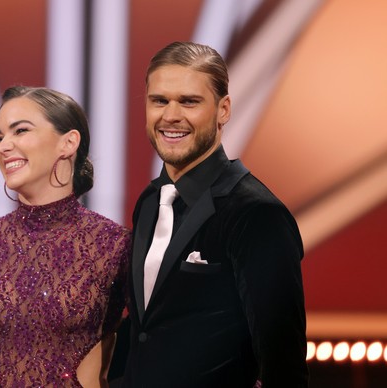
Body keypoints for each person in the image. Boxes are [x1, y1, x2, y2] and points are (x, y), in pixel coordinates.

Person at [122, 41, 308, 387]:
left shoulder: (256, 213)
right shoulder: (149, 201)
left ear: (223, 110)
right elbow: (145, 331)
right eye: (159, 101)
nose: (171, 115)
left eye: (189, 101)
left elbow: (283, 362)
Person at [0, 86, 131, 387]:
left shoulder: (115, 244)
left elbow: (146, 354)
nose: (4, 146)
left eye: (20, 131)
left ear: (68, 143)